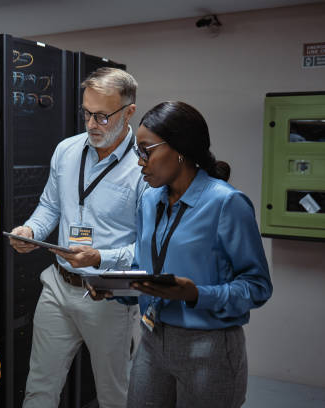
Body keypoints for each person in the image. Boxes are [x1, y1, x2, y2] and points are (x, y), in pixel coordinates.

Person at [116, 101, 273, 407]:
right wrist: (114, 288)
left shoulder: (227, 204)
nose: (140, 162)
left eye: (146, 151)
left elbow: (258, 287)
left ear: (180, 149)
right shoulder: (149, 200)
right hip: (152, 338)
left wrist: (196, 294)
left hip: (209, 347)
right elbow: (142, 267)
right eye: (138, 152)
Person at [8, 67, 148, 408]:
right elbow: (49, 207)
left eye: (102, 116)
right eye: (86, 113)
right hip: (58, 285)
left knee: (115, 394)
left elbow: (147, 248)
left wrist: (99, 257)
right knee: (39, 387)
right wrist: (31, 231)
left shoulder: (144, 168)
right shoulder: (67, 151)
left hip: (109, 293)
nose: (90, 124)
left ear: (129, 111)